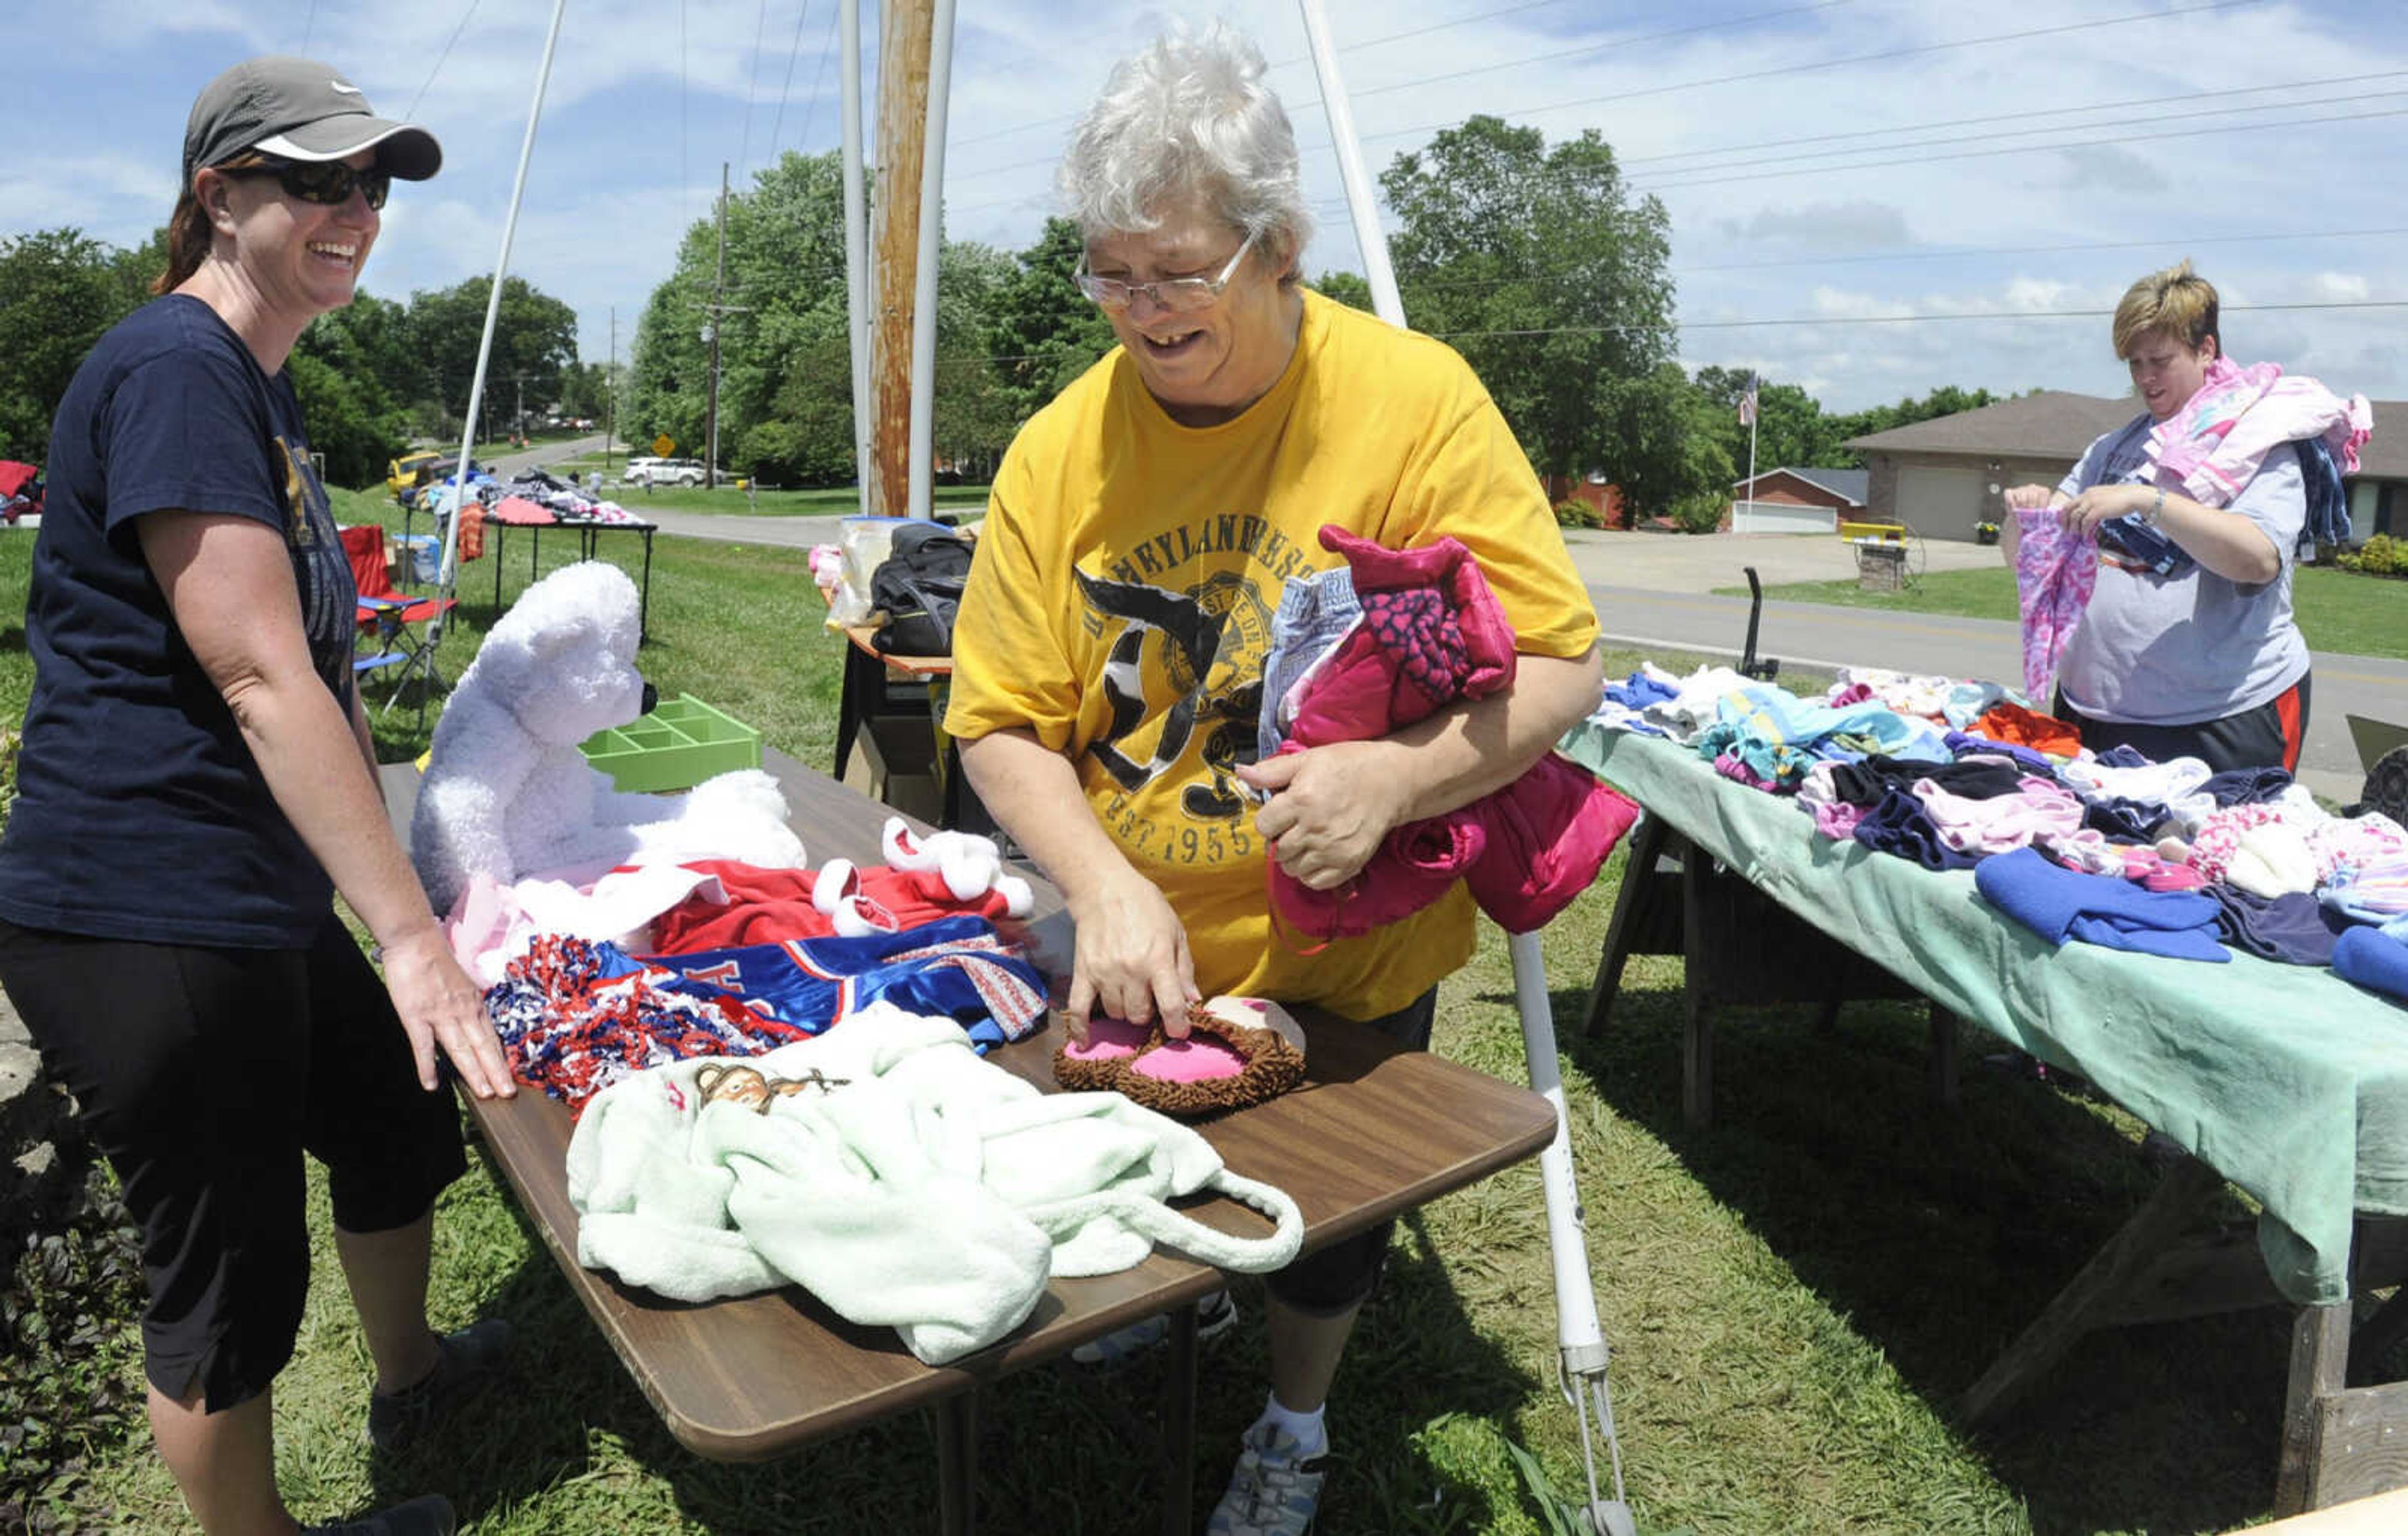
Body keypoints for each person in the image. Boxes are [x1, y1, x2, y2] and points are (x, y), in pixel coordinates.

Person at [944, 26, 1602, 1536]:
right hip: (1139, 939)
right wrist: (1102, 887)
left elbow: (1560, 664)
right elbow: (994, 719)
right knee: (1132, 1156)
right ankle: (1158, 1297)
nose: (1141, 313)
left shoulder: (1414, 399)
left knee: (1328, 1232)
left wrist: (1393, 777)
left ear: (1279, 246)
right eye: (1109, 277)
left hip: (1349, 947)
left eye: (1176, 274)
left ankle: (1293, 1422)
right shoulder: (1059, 447)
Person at [0, 57, 518, 1536]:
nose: (354, 210)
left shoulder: (259, 387)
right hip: (143, 909)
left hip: (248, 887)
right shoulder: (177, 366)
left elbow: (326, 683)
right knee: (227, 1276)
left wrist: (395, 873)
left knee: (390, 1114)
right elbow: (256, 676)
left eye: (374, 185)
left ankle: (413, 1371)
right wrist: (410, 936)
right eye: (316, 180)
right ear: (220, 195)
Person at [2002, 261, 2315, 773]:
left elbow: (2258, 558)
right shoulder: (2111, 449)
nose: (2145, 378)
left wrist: (2150, 502)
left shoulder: (2258, 443)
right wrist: (2024, 516)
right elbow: (2028, 559)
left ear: (2206, 350)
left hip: (2221, 719)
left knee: (2210, 853)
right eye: (2134, 362)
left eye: (2160, 360)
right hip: (2094, 712)